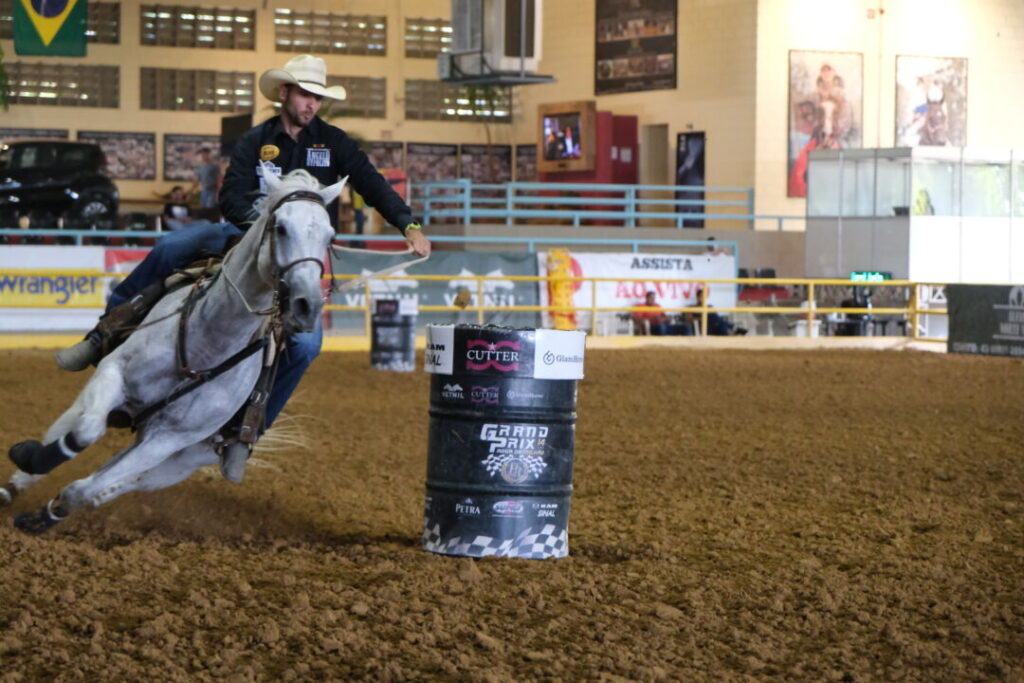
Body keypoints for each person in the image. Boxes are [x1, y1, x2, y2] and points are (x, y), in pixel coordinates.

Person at [55, 54, 432, 483]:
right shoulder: (256, 140)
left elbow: (372, 183)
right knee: (171, 246)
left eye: (318, 97)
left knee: (306, 347)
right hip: (245, 237)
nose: (312, 104)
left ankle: (246, 433)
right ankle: (102, 335)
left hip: (298, 254)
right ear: (285, 93)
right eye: (306, 94)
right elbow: (232, 193)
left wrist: (408, 224)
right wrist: (260, 228)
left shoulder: (335, 143)